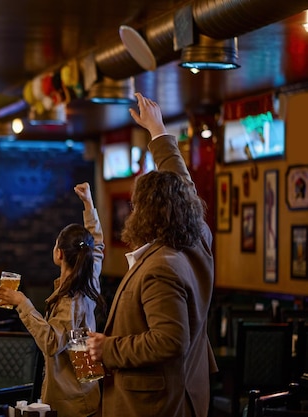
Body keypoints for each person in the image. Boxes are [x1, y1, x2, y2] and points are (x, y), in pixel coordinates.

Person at [87, 92, 216, 417]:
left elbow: (170, 341)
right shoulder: (197, 239)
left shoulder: (162, 266)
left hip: (155, 405)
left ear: (144, 214)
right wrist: (157, 132)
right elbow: (182, 183)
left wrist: (108, 348)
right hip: (186, 393)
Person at [0, 182, 104, 417]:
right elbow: (97, 246)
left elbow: (52, 343)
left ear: (59, 253)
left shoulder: (70, 297)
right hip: (86, 388)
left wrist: (21, 302)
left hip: (70, 399)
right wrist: (88, 204)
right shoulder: (89, 277)